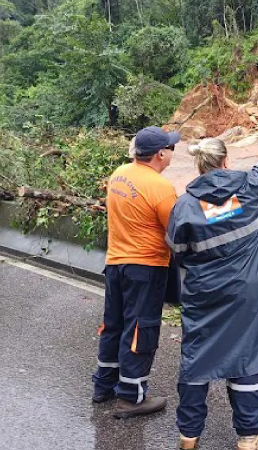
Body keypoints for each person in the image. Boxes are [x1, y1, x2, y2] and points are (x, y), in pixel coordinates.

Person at [166, 124, 258, 450]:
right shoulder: (252, 189)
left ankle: (188, 434)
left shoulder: (185, 206)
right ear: (226, 161)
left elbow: (177, 250)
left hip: (204, 295)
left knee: (197, 357)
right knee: (245, 357)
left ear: (199, 165)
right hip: (247, 295)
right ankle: (250, 436)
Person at [92, 126, 179, 419]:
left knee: (113, 323)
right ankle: (132, 396)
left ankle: (103, 386)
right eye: (170, 149)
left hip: (115, 262)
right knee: (140, 328)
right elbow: (177, 232)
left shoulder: (119, 174)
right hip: (146, 266)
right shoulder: (161, 188)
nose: (171, 154)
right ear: (159, 155)